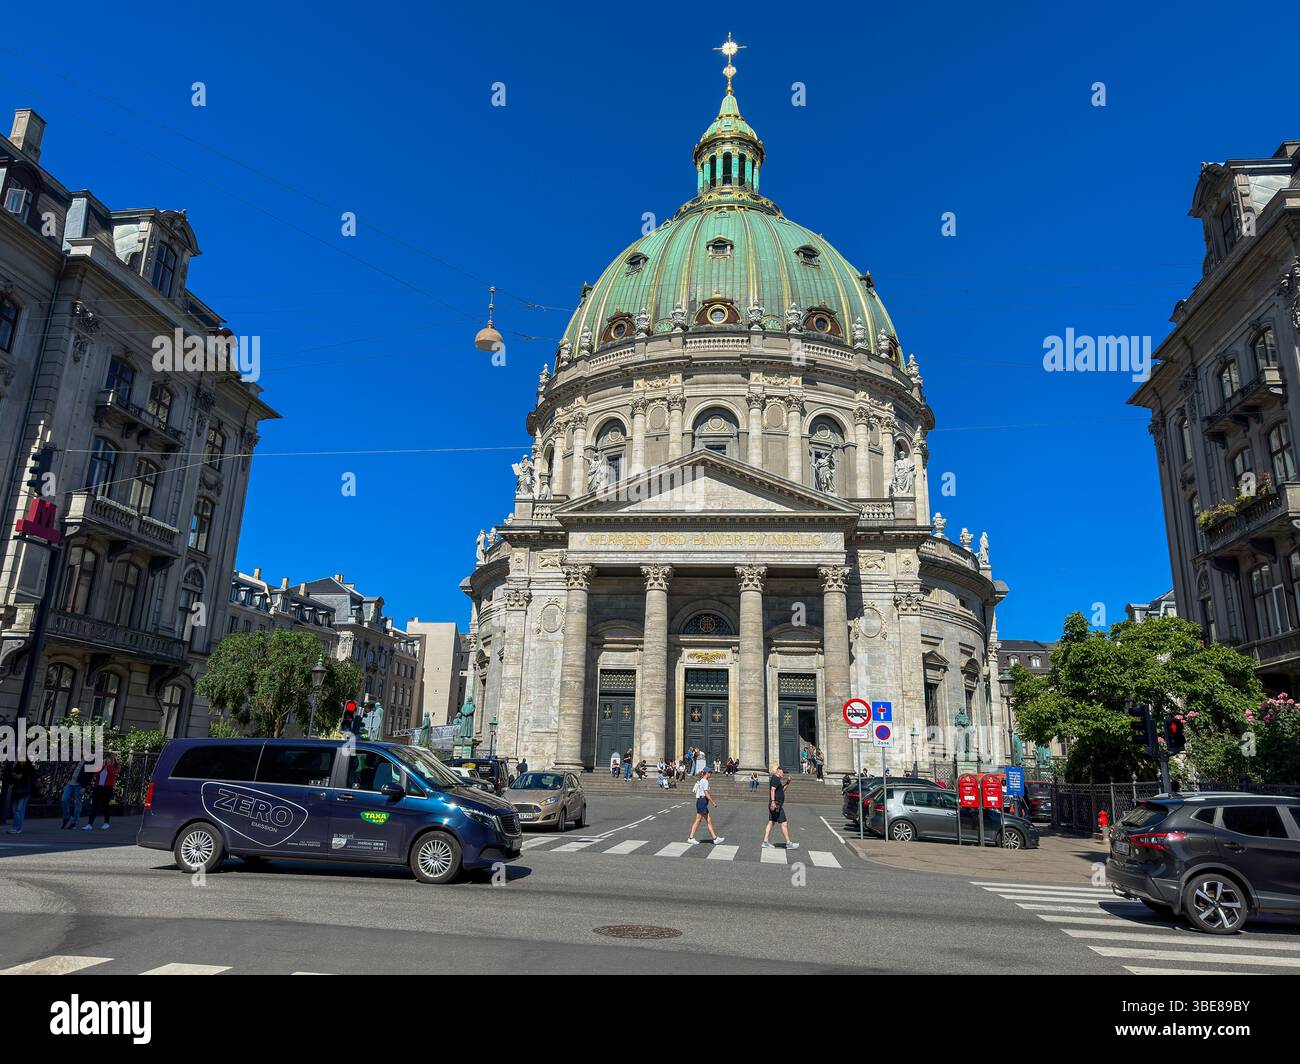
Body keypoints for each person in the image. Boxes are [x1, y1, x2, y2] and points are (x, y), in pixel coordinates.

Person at [762, 765, 798, 850]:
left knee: (771, 822)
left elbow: (782, 790)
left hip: (775, 804)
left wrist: (788, 783)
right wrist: (773, 802)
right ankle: (788, 843)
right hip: (776, 805)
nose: (783, 774)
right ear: (778, 770)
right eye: (783, 772)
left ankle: (765, 842)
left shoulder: (777, 779)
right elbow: (772, 790)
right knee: (784, 823)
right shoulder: (775, 778)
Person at [686, 769, 723, 845]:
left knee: (708, 820)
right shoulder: (705, 781)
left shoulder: (702, 780)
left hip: (701, 801)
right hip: (702, 801)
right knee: (699, 820)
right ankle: (691, 837)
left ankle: (715, 838)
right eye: (710, 773)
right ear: (707, 773)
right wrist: (713, 802)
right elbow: (706, 793)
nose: (711, 775)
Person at [83, 753, 119, 831]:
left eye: (108, 758)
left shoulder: (116, 766)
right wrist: (102, 765)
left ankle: (106, 823)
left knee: (105, 806)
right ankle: (89, 824)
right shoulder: (102, 765)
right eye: (106, 758)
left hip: (108, 788)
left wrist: (109, 765)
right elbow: (96, 773)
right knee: (94, 806)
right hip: (98, 787)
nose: (106, 760)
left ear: (112, 759)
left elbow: (112, 774)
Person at [6, 757, 38, 835]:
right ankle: (17, 827)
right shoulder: (16, 767)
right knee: (15, 810)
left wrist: (22, 776)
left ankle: (16, 828)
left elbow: (33, 778)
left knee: (19, 809)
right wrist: (14, 775)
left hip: (25, 791)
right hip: (16, 792)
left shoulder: (29, 768)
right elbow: (11, 779)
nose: (21, 760)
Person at [60, 759, 90, 829]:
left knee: (78, 803)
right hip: (70, 782)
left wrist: (84, 786)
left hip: (79, 784)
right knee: (64, 799)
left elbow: (89, 774)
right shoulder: (78, 758)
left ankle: (74, 822)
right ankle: (66, 816)